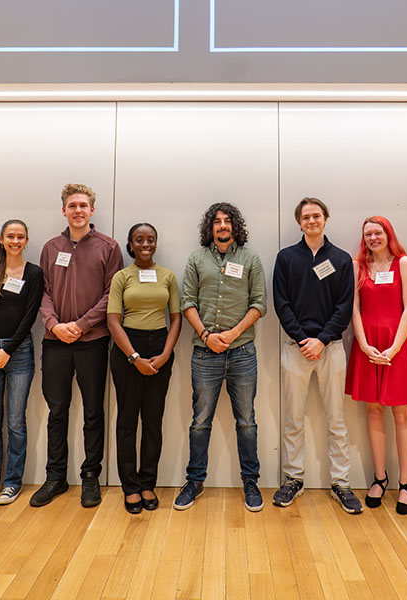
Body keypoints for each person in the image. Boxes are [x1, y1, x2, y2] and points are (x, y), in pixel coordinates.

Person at [31, 183, 123, 509]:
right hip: (55, 342)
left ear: (92, 210)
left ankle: (90, 477)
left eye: (83, 205)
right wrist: (55, 324)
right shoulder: (50, 247)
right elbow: (42, 291)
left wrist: (82, 326)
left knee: (93, 412)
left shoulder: (109, 247)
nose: (78, 210)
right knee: (57, 412)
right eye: (72, 206)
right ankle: (55, 477)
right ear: (64, 210)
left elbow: (113, 294)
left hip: (93, 343)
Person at [173, 203, 267, 512]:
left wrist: (231, 334)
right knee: (200, 422)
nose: (222, 226)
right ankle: (195, 481)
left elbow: (259, 303)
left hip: (241, 352)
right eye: (217, 222)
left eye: (227, 221)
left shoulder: (250, 258)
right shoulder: (197, 259)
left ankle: (250, 483)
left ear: (235, 226)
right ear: (210, 227)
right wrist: (206, 335)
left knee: (247, 422)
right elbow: (187, 301)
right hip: (204, 353)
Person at [272, 197, 362, 514]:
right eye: (306, 217)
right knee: (292, 420)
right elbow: (281, 303)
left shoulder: (340, 258)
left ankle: (341, 483)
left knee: (337, 420)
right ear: (299, 222)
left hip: (331, 348)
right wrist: (302, 339)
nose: (312, 221)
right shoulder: (286, 258)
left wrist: (321, 340)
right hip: (294, 349)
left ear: (326, 219)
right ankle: (293, 479)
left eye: (317, 216)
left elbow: (344, 305)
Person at [345, 215, 407, 515]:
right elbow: (353, 308)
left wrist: (393, 348)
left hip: (397, 345)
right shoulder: (358, 267)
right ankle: (380, 478)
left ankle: (406, 483)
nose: (372, 238)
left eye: (377, 233)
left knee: (402, 413)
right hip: (367, 344)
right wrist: (364, 344)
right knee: (373, 409)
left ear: (387, 234)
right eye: (367, 234)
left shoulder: (403, 263)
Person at [107, 223, 182, 514]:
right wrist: (134, 357)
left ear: (156, 243)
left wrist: (164, 354)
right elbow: (113, 320)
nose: (146, 244)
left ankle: (148, 482)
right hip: (128, 348)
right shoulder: (121, 277)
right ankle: (130, 487)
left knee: (153, 420)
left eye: (151, 239)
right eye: (139, 240)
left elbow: (175, 318)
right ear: (131, 244)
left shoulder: (168, 276)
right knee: (127, 421)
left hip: (160, 347)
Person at [0, 219, 44, 507]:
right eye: (10, 236)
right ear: (1, 239)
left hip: (20, 352)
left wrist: (8, 350)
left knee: (16, 422)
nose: (15, 241)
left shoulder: (35, 273)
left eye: (20, 237)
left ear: (26, 241)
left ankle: (12, 482)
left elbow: (30, 316)